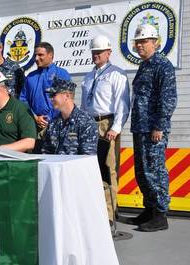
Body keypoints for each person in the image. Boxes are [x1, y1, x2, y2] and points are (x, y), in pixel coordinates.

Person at [127, 24, 177, 232]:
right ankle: (149, 209)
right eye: (137, 42)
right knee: (142, 171)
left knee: (155, 170)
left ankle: (160, 214)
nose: (140, 45)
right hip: (140, 127)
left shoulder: (162, 65)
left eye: (144, 41)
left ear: (155, 42)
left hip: (153, 129)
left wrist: (159, 126)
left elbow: (168, 98)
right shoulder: (144, 65)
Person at [80, 35, 130, 224]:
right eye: (93, 52)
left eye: (99, 52)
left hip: (106, 124)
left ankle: (109, 214)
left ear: (109, 53)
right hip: (90, 124)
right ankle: (95, 209)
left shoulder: (117, 74)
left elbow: (122, 104)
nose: (96, 55)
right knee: (92, 168)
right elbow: (85, 105)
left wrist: (115, 128)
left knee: (109, 169)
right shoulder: (89, 76)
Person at [19, 42, 71, 151]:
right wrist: (35, 117)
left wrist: (50, 119)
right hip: (34, 127)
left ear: (50, 55)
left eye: (40, 55)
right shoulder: (30, 77)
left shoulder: (61, 74)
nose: (36, 58)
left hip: (57, 127)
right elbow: (23, 101)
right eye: (35, 55)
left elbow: (66, 101)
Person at [41, 78, 97, 155]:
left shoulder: (86, 122)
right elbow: (46, 152)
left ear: (67, 96)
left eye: (53, 95)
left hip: (75, 166)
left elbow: (87, 157)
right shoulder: (53, 123)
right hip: (54, 165)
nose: (51, 99)